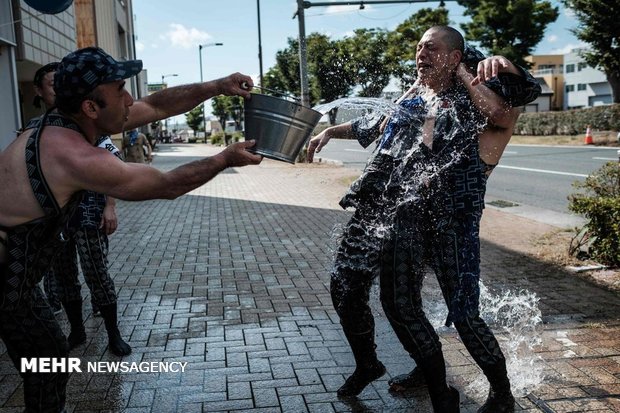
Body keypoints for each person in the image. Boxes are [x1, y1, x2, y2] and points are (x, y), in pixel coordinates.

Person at [0, 46, 262, 413]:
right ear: (91, 108)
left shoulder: (62, 123)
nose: (129, 100)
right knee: (46, 362)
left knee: (47, 359)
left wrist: (217, 85)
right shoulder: (75, 156)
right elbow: (167, 185)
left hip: (19, 280)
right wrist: (225, 158)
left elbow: (156, 106)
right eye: (120, 90)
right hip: (8, 285)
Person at [308, 26, 540, 413]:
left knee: (461, 314)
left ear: (455, 57)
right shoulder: (422, 102)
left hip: (452, 223)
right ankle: (417, 369)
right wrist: (331, 129)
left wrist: (503, 65)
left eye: (430, 48)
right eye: (418, 48)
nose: (420, 54)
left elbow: (513, 102)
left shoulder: (477, 102)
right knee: (398, 303)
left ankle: (501, 394)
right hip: (410, 217)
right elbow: (379, 126)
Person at [29, 61, 133, 357]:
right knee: (64, 276)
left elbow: (114, 168)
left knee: (96, 272)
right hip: (55, 218)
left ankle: (114, 333)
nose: (56, 91)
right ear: (40, 91)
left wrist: (109, 207)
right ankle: (76, 329)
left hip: (89, 213)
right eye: (51, 85)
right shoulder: (36, 129)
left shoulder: (91, 127)